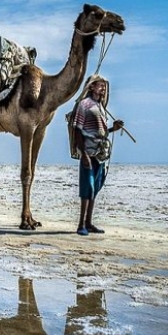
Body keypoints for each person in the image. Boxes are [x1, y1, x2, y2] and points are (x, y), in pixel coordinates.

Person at [73, 74, 124, 236]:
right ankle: (81, 224)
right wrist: (84, 155)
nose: (103, 88)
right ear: (92, 86)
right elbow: (77, 130)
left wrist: (112, 129)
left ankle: (89, 223)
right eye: (100, 85)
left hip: (100, 153)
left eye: (104, 86)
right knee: (87, 188)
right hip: (89, 151)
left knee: (95, 188)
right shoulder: (84, 105)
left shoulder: (101, 107)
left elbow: (100, 132)